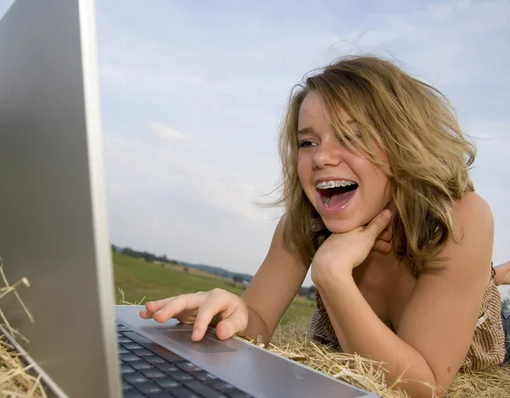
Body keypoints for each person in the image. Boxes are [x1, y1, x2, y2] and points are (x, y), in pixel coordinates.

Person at [138, 55, 510, 398]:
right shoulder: (303, 223)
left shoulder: (458, 219)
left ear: (403, 143)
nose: (321, 158)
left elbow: (422, 386)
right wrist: (229, 313)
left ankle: (491, 277)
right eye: (308, 142)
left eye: (351, 136)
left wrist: (332, 274)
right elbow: (258, 323)